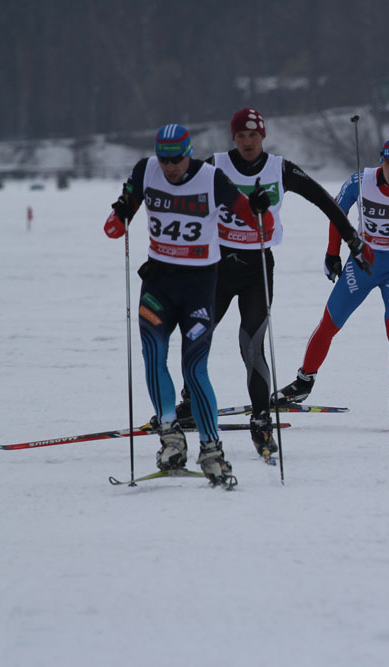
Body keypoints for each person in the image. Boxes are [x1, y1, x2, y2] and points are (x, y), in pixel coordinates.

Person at [189, 107, 370, 458]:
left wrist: (351, 238)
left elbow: (322, 199)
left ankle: (261, 421)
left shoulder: (279, 169)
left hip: (257, 267)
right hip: (217, 267)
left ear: (263, 136)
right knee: (198, 336)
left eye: (253, 136)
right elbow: (181, 189)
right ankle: (187, 401)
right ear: (233, 138)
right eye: (241, 136)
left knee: (251, 345)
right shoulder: (215, 165)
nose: (247, 142)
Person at [102, 124, 271, 483]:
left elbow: (262, 226)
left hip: (199, 288)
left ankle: (211, 449)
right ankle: (171, 437)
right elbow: (113, 228)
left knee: (194, 368)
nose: (170, 168)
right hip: (158, 285)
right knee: (152, 354)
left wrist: (260, 208)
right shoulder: (145, 171)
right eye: (164, 160)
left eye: (176, 160)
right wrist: (121, 210)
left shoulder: (211, 179)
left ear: (189, 153)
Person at [272, 138, 389, 430]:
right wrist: (332, 253)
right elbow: (337, 210)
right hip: (363, 263)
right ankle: (303, 382)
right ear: (382, 160)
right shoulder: (361, 181)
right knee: (330, 322)